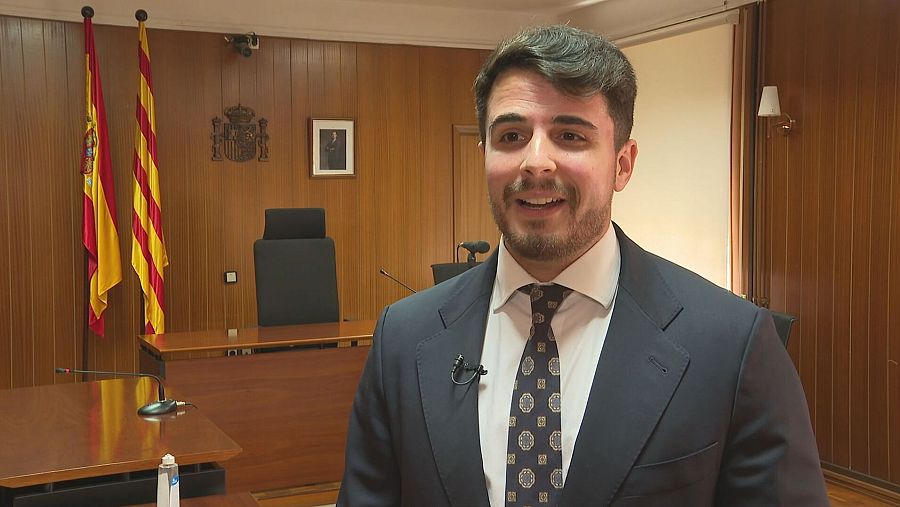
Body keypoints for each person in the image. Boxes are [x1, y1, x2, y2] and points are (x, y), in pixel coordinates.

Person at [338, 25, 828, 506]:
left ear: (622, 164)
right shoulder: (402, 339)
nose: (536, 162)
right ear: (484, 154)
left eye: (569, 135)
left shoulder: (730, 344)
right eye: (511, 135)